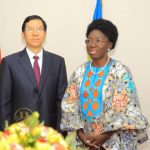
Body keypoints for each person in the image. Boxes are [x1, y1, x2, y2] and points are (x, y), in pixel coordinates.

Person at [60, 18, 149, 150]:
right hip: (85, 142)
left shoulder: (120, 71)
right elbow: (69, 105)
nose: (92, 44)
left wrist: (105, 135)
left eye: (98, 41)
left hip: (115, 141)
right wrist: (81, 134)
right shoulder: (79, 72)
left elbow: (128, 109)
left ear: (110, 45)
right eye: (88, 40)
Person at [0, 15, 67, 133]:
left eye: (39, 29)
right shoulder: (9, 63)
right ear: (22, 34)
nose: (35, 33)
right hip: (19, 133)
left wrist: (59, 134)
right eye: (29, 29)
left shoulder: (58, 62)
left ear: (45, 34)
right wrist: (6, 135)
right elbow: (4, 102)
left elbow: (61, 102)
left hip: (50, 133)